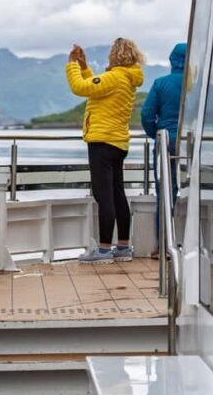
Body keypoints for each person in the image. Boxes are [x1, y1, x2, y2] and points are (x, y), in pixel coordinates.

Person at [65, 38, 145, 264]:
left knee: (104, 196)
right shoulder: (127, 79)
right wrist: (84, 67)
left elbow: (81, 88)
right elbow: (96, 89)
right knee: (118, 194)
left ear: (115, 55)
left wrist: (71, 64)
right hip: (118, 143)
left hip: (102, 142)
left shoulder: (115, 77)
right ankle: (123, 247)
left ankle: (103, 250)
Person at [140, 43, 186, 256]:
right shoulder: (195, 85)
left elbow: (146, 114)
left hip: (165, 141)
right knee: (192, 190)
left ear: (172, 60)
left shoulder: (160, 83)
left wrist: (155, 134)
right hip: (189, 143)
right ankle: (190, 243)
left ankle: (163, 245)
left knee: (165, 192)